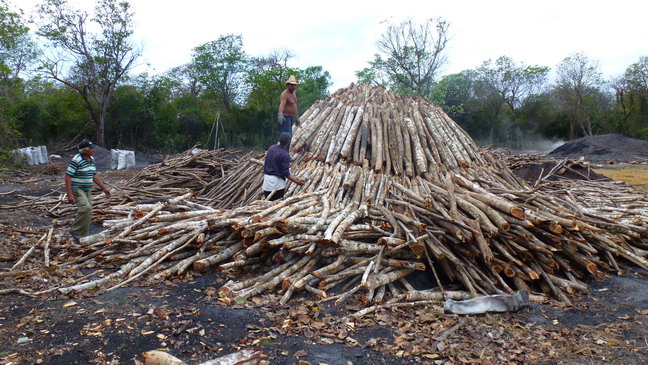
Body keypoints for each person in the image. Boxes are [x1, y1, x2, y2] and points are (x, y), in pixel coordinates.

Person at [65, 139, 111, 240]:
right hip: (77, 189)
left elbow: (93, 175)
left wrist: (103, 188)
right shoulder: (76, 160)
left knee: (89, 211)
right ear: (84, 150)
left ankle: (82, 234)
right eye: (91, 148)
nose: (93, 150)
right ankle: (75, 231)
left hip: (87, 189)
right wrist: (69, 194)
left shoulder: (92, 159)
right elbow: (68, 176)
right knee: (85, 208)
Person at [262, 132, 304, 201]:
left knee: (267, 203)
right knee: (277, 204)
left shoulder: (271, 148)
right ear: (289, 142)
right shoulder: (285, 154)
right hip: (277, 184)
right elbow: (285, 172)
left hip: (267, 182)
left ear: (279, 140)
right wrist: (297, 182)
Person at [277, 75, 300, 150]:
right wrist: (280, 114)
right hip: (285, 117)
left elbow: (294, 105)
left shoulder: (294, 93)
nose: (293, 86)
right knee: (286, 136)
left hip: (291, 118)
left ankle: (285, 152)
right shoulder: (285, 94)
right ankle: (284, 153)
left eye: (294, 85)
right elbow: (282, 105)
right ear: (288, 85)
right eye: (292, 85)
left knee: (289, 136)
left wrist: (296, 116)